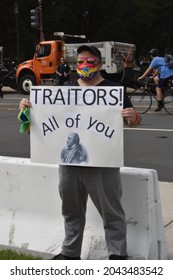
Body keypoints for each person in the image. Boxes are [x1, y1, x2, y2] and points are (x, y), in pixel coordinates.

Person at [19, 45, 141, 260]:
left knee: (111, 211)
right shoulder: (64, 89)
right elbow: (41, 122)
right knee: (71, 210)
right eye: (80, 62)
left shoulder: (113, 90)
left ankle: (118, 255)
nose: (84, 66)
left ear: (100, 65)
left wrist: (134, 117)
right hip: (68, 163)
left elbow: (131, 123)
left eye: (90, 62)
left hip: (103, 163)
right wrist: (27, 108)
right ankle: (70, 253)